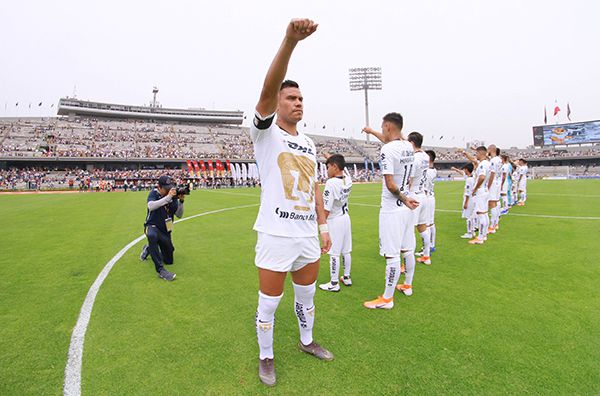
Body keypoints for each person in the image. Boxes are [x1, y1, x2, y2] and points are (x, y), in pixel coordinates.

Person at [249, 18, 333, 387]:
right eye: (291, 98)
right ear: (278, 104)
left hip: (305, 235)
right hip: (275, 233)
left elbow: (315, 182)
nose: (298, 103)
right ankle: (266, 357)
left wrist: (323, 224)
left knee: (308, 296)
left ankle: (306, 341)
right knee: (269, 303)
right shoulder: (264, 132)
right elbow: (267, 93)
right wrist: (289, 42)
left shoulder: (310, 142)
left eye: (301, 98)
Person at [362, 113, 419, 307]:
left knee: (391, 254)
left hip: (393, 208)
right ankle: (408, 286)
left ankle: (387, 298)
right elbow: (390, 141)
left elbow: (390, 184)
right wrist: (407, 200)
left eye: (382, 126)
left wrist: (403, 199)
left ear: (387, 126)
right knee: (407, 249)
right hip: (406, 209)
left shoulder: (388, 150)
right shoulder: (408, 147)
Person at [139, 175, 184, 281]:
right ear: (159, 187)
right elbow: (151, 206)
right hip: (152, 226)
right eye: (166, 188)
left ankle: (149, 248)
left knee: (169, 260)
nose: (169, 190)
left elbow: (179, 214)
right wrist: (168, 198)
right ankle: (160, 270)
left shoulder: (173, 197)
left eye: (170, 188)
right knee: (152, 236)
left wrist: (181, 202)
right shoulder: (154, 193)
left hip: (165, 230)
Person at [319, 154, 353, 292]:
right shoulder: (348, 178)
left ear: (334, 166)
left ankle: (334, 283)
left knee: (334, 252)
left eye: (328, 167)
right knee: (346, 250)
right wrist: (331, 157)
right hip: (345, 218)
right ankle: (346, 277)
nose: (327, 170)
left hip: (335, 220)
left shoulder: (331, 183)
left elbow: (326, 209)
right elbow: (341, 167)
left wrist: (322, 226)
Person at [406, 132, 433, 266]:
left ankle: (407, 262)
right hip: (423, 194)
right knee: (423, 227)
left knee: (409, 230)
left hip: (414, 195)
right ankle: (426, 256)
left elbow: (409, 179)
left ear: (411, 143)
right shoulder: (425, 156)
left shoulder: (414, 158)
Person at [464, 146, 491, 245]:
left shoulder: (483, 164)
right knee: (484, 213)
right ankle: (484, 235)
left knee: (480, 214)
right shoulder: (487, 163)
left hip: (480, 190)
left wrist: (475, 188)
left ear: (480, 153)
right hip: (485, 190)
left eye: (476, 153)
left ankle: (480, 237)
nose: (476, 155)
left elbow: (482, 177)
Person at [452, 163, 476, 238]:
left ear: (466, 170)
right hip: (474, 198)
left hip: (469, 200)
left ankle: (469, 233)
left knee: (468, 217)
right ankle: (472, 231)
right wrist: (456, 169)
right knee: (472, 216)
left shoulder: (469, 180)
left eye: (464, 169)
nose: (464, 171)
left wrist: (466, 203)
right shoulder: (473, 177)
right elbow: (462, 173)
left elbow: (467, 193)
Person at [487, 145, 502, 234]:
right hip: (498, 182)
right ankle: (495, 224)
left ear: (491, 150)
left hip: (493, 183)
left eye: (488, 149)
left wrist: (488, 186)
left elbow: (492, 173)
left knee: (491, 204)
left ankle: (492, 226)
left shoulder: (493, 160)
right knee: (495, 203)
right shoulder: (498, 159)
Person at [424, 150, 437, 252]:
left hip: (427, 197)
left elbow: (425, 188)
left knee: (426, 224)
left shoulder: (427, 172)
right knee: (431, 223)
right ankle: (432, 245)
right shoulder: (434, 170)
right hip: (432, 197)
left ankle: (426, 249)